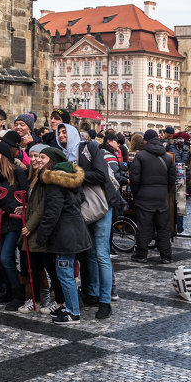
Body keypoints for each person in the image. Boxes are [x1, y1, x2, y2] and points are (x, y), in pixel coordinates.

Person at [25, 144, 91, 323]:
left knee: (65, 273)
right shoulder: (68, 179)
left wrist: (42, 236)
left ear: (52, 161)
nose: (38, 160)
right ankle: (69, 308)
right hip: (71, 232)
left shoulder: (54, 182)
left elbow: (51, 212)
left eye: (43, 158)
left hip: (65, 235)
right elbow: (79, 200)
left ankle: (73, 312)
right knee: (65, 272)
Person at [77, 135, 118, 319]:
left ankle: (105, 301)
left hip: (101, 204)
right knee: (91, 252)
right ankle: (92, 293)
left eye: (64, 132)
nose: (62, 136)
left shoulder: (89, 148)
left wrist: (77, 175)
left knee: (101, 253)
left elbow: (101, 175)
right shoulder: (66, 153)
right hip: (84, 207)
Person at [0, 141, 29, 310]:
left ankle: (19, 294)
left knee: (6, 257)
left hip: (14, 222)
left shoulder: (16, 172)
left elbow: (25, 194)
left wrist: (13, 206)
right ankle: (11, 290)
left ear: (5, 156)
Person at [128, 129, 174, 264]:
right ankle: (166, 256)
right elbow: (172, 179)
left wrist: (137, 193)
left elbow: (134, 178)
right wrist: (164, 191)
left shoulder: (140, 156)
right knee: (163, 227)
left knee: (144, 226)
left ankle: (141, 254)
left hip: (144, 196)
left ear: (145, 141)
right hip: (161, 197)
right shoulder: (167, 157)